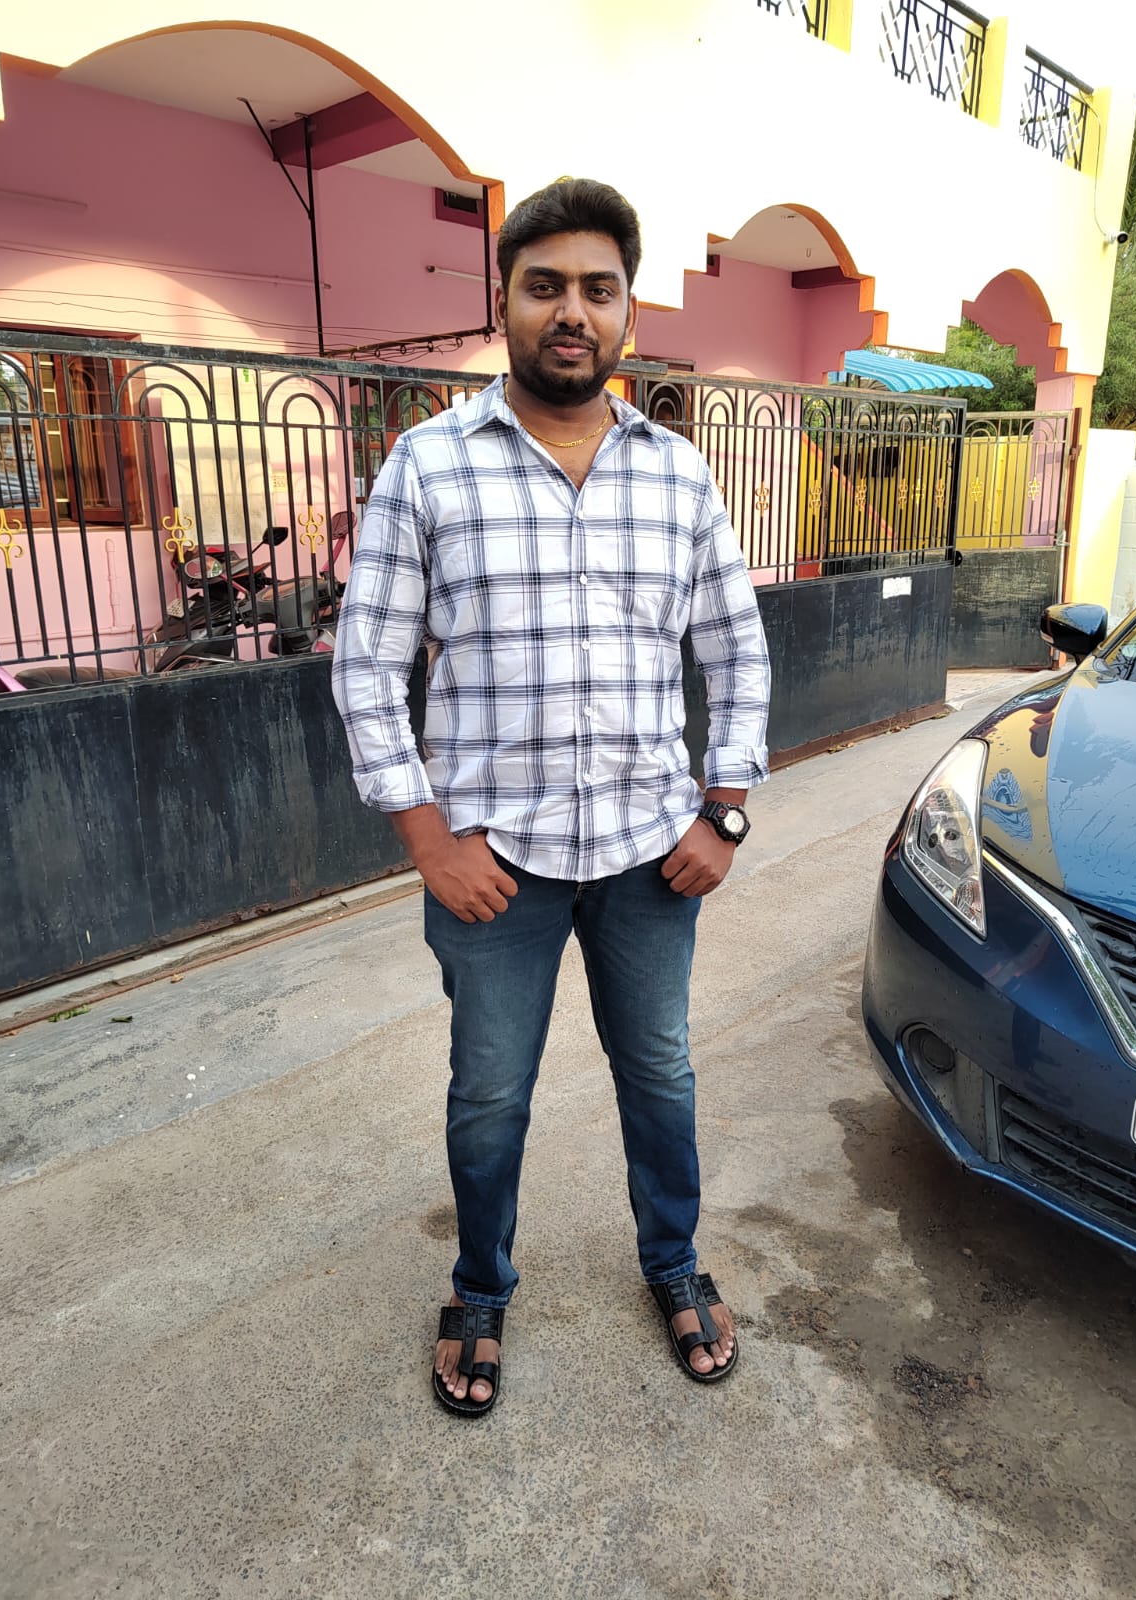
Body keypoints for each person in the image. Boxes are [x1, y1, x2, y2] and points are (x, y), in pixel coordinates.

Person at [332, 177, 770, 1416]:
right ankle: (480, 1285)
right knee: (489, 1094)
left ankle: (673, 1262)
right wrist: (429, 841)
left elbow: (737, 654)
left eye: (597, 288)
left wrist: (724, 810)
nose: (571, 311)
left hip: (650, 856)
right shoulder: (428, 466)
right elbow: (365, 666)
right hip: (493, 866)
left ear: (627, 311)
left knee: (661, 1075)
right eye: (545, 287)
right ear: (505, 303)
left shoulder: (679, 475)